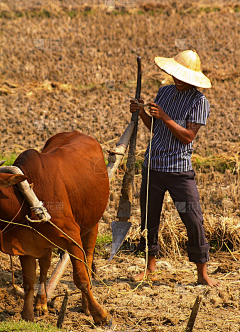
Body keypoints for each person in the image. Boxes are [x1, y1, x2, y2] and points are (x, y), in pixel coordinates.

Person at [129, 50, 219, 287]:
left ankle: (202, 273)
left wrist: (166, 118)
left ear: (192, 78)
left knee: (192, 218)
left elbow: (188, 137)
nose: (178, 80)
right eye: (176, 75)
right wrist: (142, 113)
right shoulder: (165, 91)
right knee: (149, 219)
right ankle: (150, 268)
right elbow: (154, 128)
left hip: (179, 171)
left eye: (183, 77)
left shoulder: (200, 102)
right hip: (153, 167)